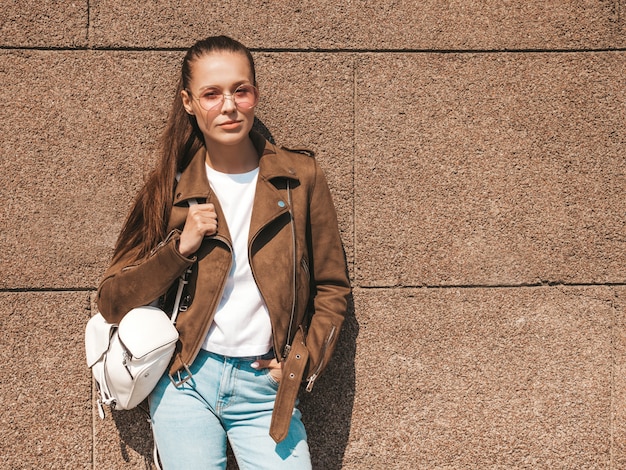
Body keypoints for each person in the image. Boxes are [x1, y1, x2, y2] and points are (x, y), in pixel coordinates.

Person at [96, 35, 350, 469]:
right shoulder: (170, 190)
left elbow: (332, 286)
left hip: (265, 388)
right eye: (211, 94)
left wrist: (300, 362)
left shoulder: (299, 178)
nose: (229, 105)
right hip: (186, 380)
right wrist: (180, 249)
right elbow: (112, 300)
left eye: (240, 90)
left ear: (255, 94)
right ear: (189, 102)